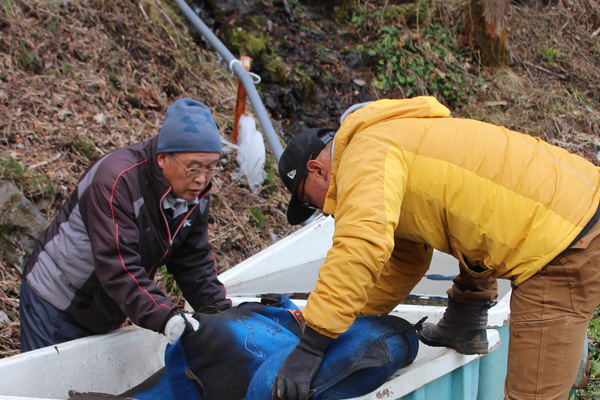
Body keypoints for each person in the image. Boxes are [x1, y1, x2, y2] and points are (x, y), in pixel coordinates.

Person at [272, 96, 600, 400]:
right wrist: (342, 320)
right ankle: (465, 317)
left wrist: (312, 346)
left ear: (317, 171)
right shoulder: (392, 139)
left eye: (308, 201)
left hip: (565, 244)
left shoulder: (364, 155)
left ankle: (467, 313)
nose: (324, 211)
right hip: (571, 211)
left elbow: (360, 247)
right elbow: (404, 261)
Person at [19, 98, 232, 352]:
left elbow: (193, 261)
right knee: (49, 389)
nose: (202, 179)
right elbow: (117, 266)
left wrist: (222, 316)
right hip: (56, 299)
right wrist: (166, 317)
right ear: (163, 158)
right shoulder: (117, 182)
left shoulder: (194, 191)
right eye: (193, 168)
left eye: (211, 168)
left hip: (106, 306)